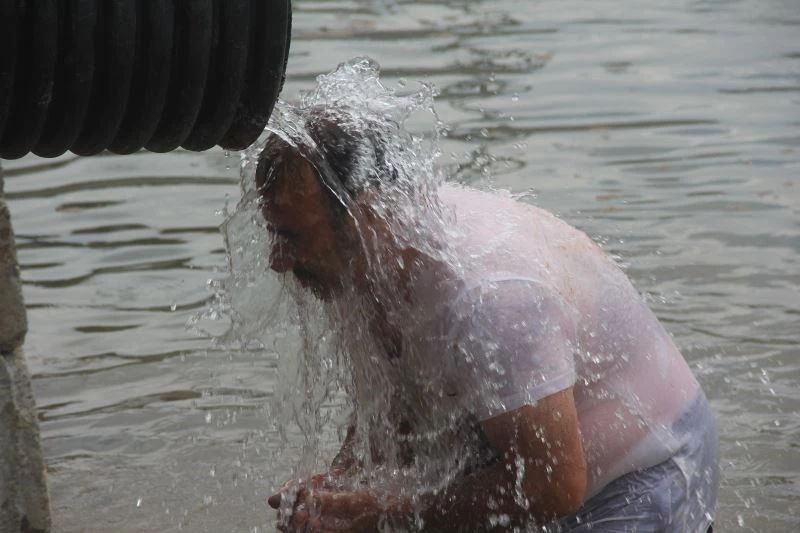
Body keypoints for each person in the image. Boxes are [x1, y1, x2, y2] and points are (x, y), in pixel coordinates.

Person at [258, 106, 719, 533]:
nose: (277, 260)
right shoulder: (364, 262)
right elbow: (394, 406)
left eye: (290, 236)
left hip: (644, 473)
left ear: (368, 216)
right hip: (536, 461)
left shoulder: (488, 298)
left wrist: (376, 514)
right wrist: (344, 483)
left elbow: (553, 484)